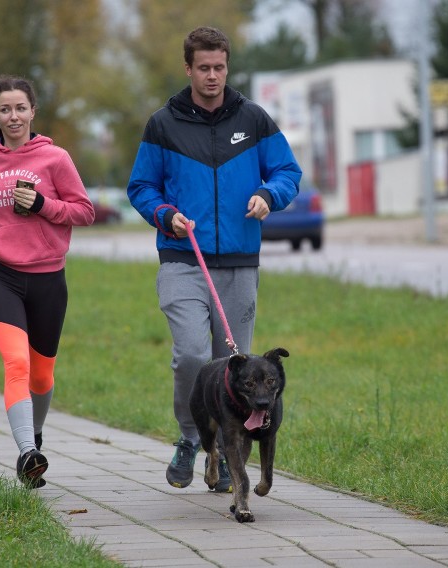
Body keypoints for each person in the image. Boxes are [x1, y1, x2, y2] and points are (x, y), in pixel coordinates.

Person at [126, 26, 302, 492]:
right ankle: (190, 438)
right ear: (188, 69)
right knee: (191, 355)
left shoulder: (255, 119)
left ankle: (226, 456)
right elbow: (141, 187)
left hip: (240, 263)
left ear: (228, 66)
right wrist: (165, 215)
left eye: (219, 67)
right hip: (184, 260)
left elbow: (288, 171)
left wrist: (270, 194)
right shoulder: (163, 124)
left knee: (235, 370)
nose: (212, 76)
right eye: (203, 68)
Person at [0, 74, 95, 488]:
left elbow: (84, 211)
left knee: (41, 377)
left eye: (20, 108)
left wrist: (42, 205)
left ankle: (33, 436)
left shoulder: (55, 159)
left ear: (33, 111)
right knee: (15, 363)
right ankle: (26, 454)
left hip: (49, 279)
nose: (13, 116)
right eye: (5, 109)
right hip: (1, 275)